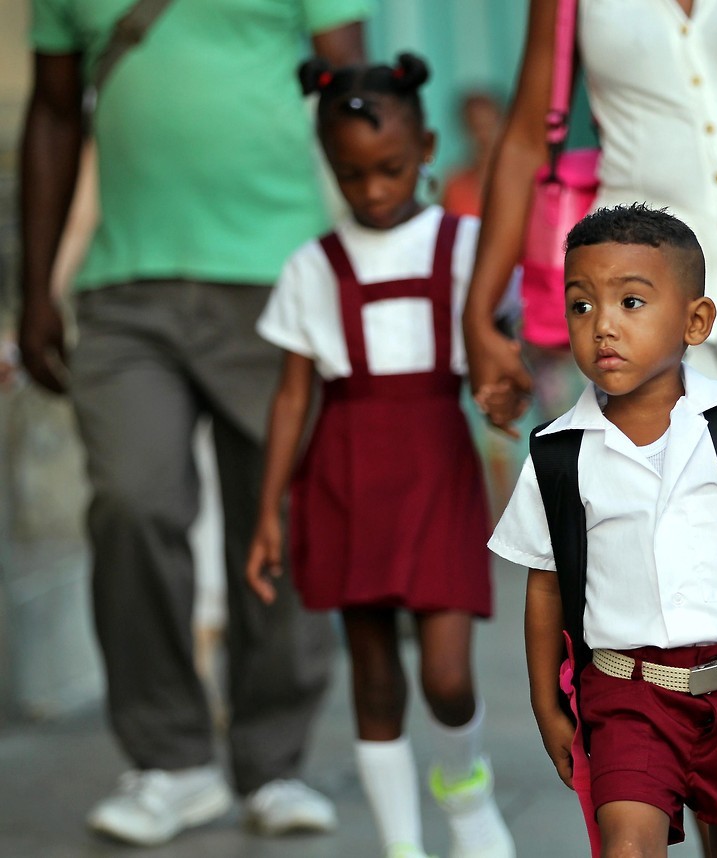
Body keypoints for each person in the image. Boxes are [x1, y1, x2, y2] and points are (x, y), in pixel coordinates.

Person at [463, 2, 717, 851]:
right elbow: (519, 138)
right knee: (633, 540)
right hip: (631, 299)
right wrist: (481, 313)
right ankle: (652, 747)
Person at [18, 0, 367, 846]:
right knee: (132, 504)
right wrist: (33, 290)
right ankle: (171, 762)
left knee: (282, 520)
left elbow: (354, 94)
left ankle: (273, 760)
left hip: (279, 278)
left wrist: (375, 272)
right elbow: (54, 110)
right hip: (124, 287)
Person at [488, 203, 717, 857]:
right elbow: (544, 586)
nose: (602, 326)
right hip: (627, 693)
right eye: (581, 306)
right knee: (628, 846)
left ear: (696, 320)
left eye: (631, 302)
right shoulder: (558, 452)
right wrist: (548, 703)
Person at [245, 54, 516, 858]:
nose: (372, 191)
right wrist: (268, 510)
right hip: (346, 475)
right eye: (351, 174)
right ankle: (402, 845)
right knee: (372, 674)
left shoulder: (468, 246)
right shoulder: (310, 267)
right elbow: (293, 396)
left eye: (391, 169)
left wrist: (510, 393)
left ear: (426, 147)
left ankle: (467, 799)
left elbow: (501, 347)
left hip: (437, 463)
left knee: (446, 675)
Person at [441, 90, 505, 219]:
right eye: (475, 128)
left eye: (488, 127)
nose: (482, 137)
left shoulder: (519, 185)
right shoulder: (455, 186)